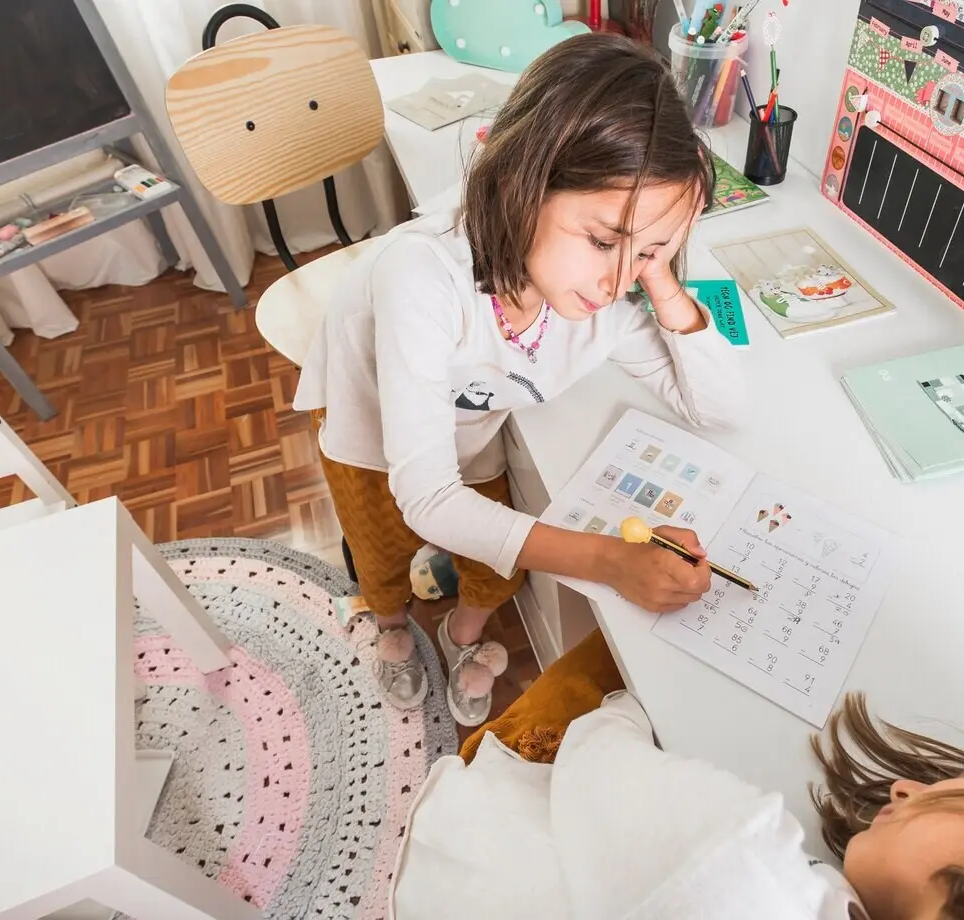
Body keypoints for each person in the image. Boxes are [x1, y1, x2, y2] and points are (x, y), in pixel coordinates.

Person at [293, 33, 743, 725]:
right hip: (369, 436)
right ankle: (390, 627)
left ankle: (462, 635)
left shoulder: (606, 301)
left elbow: (718, 407)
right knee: (381, 556)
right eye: (602, 241)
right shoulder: (423, 274)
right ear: (522, 182)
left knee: (494, 567)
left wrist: (661, 276)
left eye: (649, 251)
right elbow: (426, 497)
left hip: (468, 434)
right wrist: (611, 563)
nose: (617, 278)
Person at [389, 610, 964, 919]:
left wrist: (626, 705)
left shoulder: (732, 866)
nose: (908, 782)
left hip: (434, 851)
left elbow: (597, 756)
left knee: (603, 673)